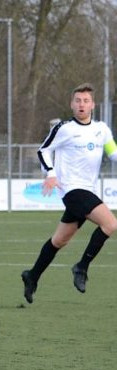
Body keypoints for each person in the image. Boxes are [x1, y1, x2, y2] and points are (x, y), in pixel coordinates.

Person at [21, 83, 117, 304]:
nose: (81, 105)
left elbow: (113, 154)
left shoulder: (102, 129)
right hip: (72, 190)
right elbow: (43, 150)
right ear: (72, 104)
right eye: (78, 101)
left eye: (86, 101)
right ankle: (81, 267)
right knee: (110, 224)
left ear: (93, 105)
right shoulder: (64, 129)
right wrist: (51, 173)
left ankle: (32, 275)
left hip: (88, 190)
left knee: (60, 240)